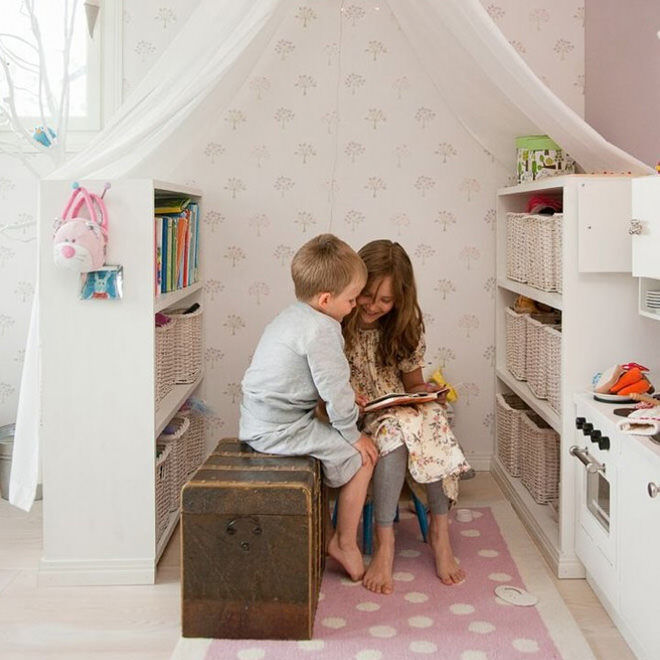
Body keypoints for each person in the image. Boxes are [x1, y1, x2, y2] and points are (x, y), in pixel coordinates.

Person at [239, 233, 379, 582]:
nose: (355, 305)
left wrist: (346, 397)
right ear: (327, 299)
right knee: (363, 458)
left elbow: (309, 380)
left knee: (343, 437)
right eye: (350, 300)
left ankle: (328, 534)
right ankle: (345, 543)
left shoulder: (294, 315)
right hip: (279, 430)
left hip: (261, 417)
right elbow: (332, 390)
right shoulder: (323, 330)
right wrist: (352, 435)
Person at [342, 239, 472, 594]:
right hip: (357, 415)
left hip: (398, 408)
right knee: (397, 437)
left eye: (386, 300)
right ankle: (386, 545)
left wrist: (427, 392)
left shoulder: (405, 324)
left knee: (431, 418)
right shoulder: (338, 321)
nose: (374, 306)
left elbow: (412, 382)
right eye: (367, 295)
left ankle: (440, 532)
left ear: (400, 299)